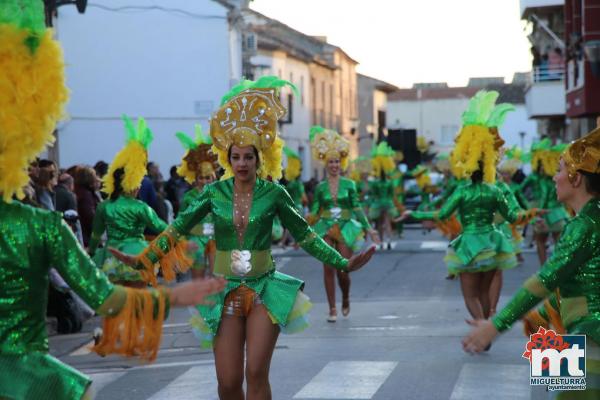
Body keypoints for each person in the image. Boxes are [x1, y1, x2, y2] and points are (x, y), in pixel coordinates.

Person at [0, 4, 226, 398]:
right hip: (25, 375)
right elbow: (107, 294)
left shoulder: (100, 209)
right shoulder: (41, 225)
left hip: (114, 255)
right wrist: (175, 291)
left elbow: (100, 237)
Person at [111, 77, 376, 400]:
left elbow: (305, 235)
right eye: (236, 157)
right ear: (228, 158)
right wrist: (145, 259)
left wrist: (342, 262)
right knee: (229, 381)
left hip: (264, 287)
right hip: (224, 289)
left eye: (248, 157)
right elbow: (177, 229)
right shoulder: (214, 192)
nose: (241, 164)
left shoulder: (274, 193)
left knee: (255, 373)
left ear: (258, 158)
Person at [463, 122, 600, 398]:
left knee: (557, 393)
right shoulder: (588, 218)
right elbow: (570, 286)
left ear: (576, 177)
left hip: (588, 334)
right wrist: (530, 319)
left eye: (560, 169)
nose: (554, 177)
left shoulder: (584, 224)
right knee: (549, 387)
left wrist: (495, 325)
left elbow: (545, 280)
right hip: (572, 329)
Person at [400, 91, 541, 324]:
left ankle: (482, 325)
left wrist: (412, 213)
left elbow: (442, 214)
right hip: (493, 243)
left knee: (470, 294)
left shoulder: (463, 191)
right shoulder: (495, 190)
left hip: (469, 245)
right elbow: (513, 216)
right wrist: (534, 213)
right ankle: (486, 326)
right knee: (484, 292)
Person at [88, 115, 174, 288]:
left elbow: (96, 235)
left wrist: (91, 252)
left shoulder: (104, 206)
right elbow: (163, 229)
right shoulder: (141, 208)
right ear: (133, 185)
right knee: (138, 302)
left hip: (111, 257)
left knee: (118, 303)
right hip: (138, 256)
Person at [308, 125, 379, 322]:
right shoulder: (320, 188)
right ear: (325, 164)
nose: (334, 165)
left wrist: (368, 228)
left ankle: (345, 296)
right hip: (325, 228)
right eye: (331, 162)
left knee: (344, 269)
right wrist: (307, 221)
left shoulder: (350, 185)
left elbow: (356, 208)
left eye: (337, 161)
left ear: (342, 163)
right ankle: (332, 308)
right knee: (327, 268)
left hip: (346, 228)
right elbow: (315, 210)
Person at [175, 125, 219, 279]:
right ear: (196, 179)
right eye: (201, 178)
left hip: (215, 239)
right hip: (196, 241)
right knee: (198, 279)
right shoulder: (188, 197)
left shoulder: (219, 195)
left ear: (213, 178)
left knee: (217, 277)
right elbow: (182, 221)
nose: (205, 181)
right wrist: (182, 242)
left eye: (208, 178)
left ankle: (215, 303)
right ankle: (199, 302)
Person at [368, 142, 398, 249]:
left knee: (379, 223)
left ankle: (380, 242)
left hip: (378, 204)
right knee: (387, 221)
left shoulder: (375, 183)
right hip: (387, 203)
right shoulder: (389, 182)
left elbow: (373, 194)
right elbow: (391, 194)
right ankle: (389, 240)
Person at [74, 165, 101, 246]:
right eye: (94, 176)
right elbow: (91, 218)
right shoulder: (86, 195)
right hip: (88, 239)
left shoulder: (80, 191)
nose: (97, 178)